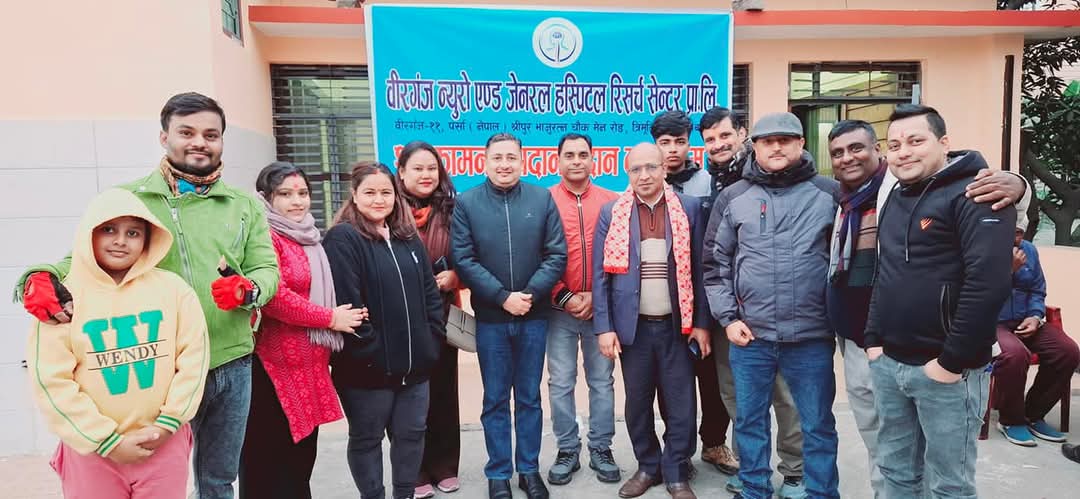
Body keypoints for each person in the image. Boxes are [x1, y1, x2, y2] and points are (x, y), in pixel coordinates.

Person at [17, 92, 279, 499]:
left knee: (218, 480)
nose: (199, 142)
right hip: (157, 367)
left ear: (221, 141)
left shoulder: (243, 204)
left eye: (211, 135)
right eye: (186, 132)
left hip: (231, 363)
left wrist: (250, 290)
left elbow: (266, 267)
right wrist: (38, 278)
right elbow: (79, 259)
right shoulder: (132, 200)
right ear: (163, 137)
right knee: (161, 472)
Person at [826, 119, 1029, 497]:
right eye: (837, 152)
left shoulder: (954, 190)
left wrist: (1020, 185)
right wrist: (874, 341)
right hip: (878, 351)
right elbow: (885, 273)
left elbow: (987, 281)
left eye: (916, 141)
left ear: (944, 143)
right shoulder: (857, 196)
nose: (847, 158)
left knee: (947, 480)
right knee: (892, 464)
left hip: (944, 363)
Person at [27, 188, 209, 499]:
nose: (121, 241)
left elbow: (194, 359)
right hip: (92, 451)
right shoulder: (63, 299)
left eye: (133, 232)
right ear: (89, 234)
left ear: (148, 240)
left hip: (163, 443)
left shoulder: (174, 290)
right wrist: (105, 441)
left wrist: (168, 423)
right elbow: (52, 380)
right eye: (109, 230)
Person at [704, 112, 841, 499]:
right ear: (755, 147)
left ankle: (820, 492)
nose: (777, 147)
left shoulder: (829, 193)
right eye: (768, 141)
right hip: (751, 336)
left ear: (801, 143)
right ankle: (755, 489)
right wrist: (728, 319)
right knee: (750, 422)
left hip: (811, 336)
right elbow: (714, 264)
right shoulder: (734, 197)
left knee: (816, 424)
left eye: (785, 140)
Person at [238, 162, 366, 499]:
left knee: (300, 462)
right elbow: (274, 297)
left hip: (308, 368)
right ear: (266, 198)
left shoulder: (309, 235)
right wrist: (330, 319)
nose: (297, 201)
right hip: (272, 369)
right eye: (285, 194)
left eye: (303, 193)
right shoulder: (262, 237)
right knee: (268, 463)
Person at [451, 132, 567, 499]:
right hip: (492, 320)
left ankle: (528, 470)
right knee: (496, 399)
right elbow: (463, 258)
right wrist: (502, 298)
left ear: (522, 160)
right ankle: (498, 472)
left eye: (511, 158)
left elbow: (556, 254)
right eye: (497, 158)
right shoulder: (466, 203)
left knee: (529, 397)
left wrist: (528, 296)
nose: (504, 164)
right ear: (485, 162)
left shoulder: (541, 198)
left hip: (533, 316)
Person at [593, 142, 711, 499]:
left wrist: (702, 324)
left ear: (664, 169)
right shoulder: (612, 212)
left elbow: (702, 270)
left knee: (681, 403)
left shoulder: (689, 208)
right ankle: (647, 466)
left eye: (651, 167)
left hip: (678, 326)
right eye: (636, 169)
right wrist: (604, 327)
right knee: (638, 403)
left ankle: (676, 470)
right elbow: (600, 277)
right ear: (627, 172)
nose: (644, 175)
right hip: (634, 328)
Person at [323, 161, 445, 499]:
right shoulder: (343, 238)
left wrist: (431, 341)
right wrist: (374, 352)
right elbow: (349, 305)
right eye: (370, 192)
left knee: (411, 436)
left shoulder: (407, 237)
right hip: (367, 371)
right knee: (367, 439)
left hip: (415, 368)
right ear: (354, 195)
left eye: (386, 192)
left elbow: (430, 295)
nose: (379, 200)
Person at [545, 133, 621, 486]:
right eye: (569, 155)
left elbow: (622, 256)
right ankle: (567, 449)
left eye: (582, 154)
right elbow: (537, 256)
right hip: (558, 310)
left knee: (602, 382)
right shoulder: (544, 201)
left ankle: (601, 448)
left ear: (593, 159)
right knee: (560, 382)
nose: (576, 161)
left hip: (601, 311)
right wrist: (565, 296)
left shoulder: (612, 202)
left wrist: (597, 297)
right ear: (558, 160)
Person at [395, 141, 465, 498]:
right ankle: (415, 469)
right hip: (401, 320)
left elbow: (471, 255)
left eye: (431, 168)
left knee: (443, 393)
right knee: (407, 396)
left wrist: (456, 277)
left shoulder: (453, 210)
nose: (426, 175)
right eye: (418, 168)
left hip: (443, 316)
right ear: (401, 171)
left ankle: (445, 465)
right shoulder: (388, 210)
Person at [992, 216, 1079, 446]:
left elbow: (1037, 290)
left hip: (1025, 320)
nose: (1016, 238)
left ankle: (1032, 414)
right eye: (1012, 231)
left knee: (1067, 351)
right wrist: (1008, 270)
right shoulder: (980, 249)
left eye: (1020, 232)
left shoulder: (1029, 250)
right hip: (991, 322)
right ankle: (1010, 420)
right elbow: (975, 292)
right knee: (1015, 354)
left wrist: (1035, 316)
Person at [653, 110, 711, 197]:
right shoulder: (646, 181)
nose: (673, 149)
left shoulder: (706, 181)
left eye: (680, 142)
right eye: (665, 143)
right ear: (655, 147)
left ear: (688, 146)